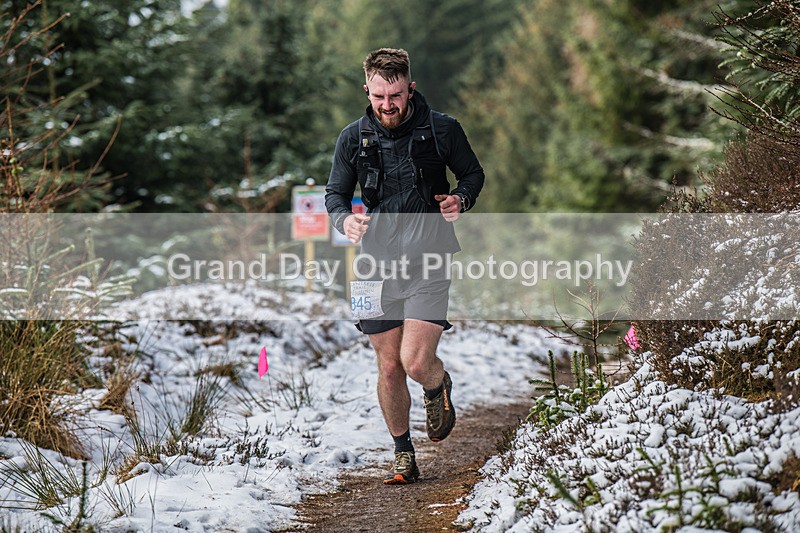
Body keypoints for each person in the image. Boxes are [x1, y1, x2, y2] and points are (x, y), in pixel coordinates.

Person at [325, 48, 484, 485]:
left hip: (430, 257)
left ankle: (436, 385)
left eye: (395, 95)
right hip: (371, 265)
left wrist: (460, 199)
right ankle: (402, 454)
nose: (387, 105)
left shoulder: (444, 130)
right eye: (379, 96)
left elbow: (473, 175)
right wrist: (346, 220)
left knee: (415, 362)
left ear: (410, 88)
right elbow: (334, 196)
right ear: (368, 90)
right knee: (389, 366)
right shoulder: (351, 138)